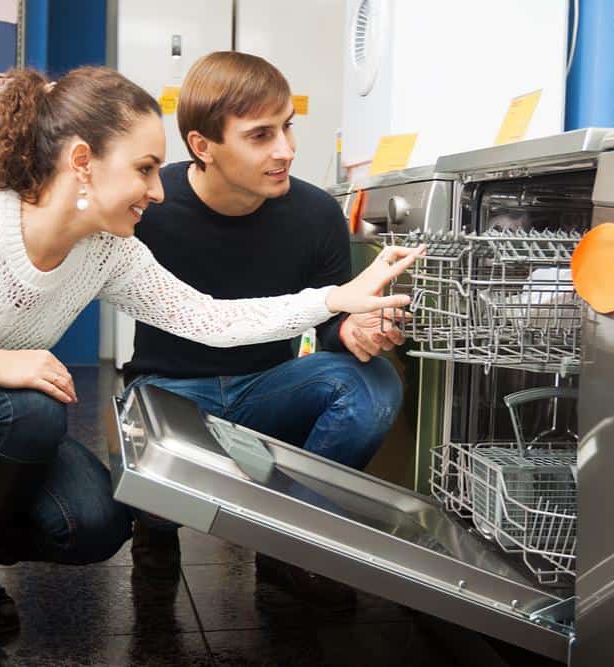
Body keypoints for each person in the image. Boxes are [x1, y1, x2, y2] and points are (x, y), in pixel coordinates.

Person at [0, 66, 419, 667]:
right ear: (83, 160)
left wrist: (332, 300)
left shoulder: (109, 251)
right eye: (144, 168)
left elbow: (208, 320)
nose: (158, 190)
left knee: (97, 524)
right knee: (28, 410)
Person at [122, 52, 406, 607]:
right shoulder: (153, 207)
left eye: (287, 128)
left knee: (373, 388)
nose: (286, 151)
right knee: (148, 491)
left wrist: (351, 334)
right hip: (171, 390)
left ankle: (288, 541)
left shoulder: (316, 214)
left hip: (265, 387)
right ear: (203, 146)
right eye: (260, 135)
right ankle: (154, 534)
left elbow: (327, 328)